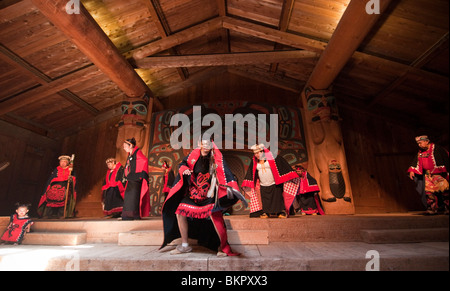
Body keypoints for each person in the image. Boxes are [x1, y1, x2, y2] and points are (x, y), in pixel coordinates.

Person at [160, 139, 242, 256]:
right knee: (180, 212)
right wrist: (185, 169)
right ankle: (185, 246)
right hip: (194, 193)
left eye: (208, 144)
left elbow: (225, 173)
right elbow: (182, 164)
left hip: (210, 194)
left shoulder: (215, 157)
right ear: (199, 144)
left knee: (216, 217)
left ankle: (223, 247)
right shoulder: (193, 155)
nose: (206, 146)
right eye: (204, 144)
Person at [242, 144, 300, 218]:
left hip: (274, 183)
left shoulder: (273, 158)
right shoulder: (254, 162)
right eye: (255, 153)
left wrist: (290, 175)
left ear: (262, 152)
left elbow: (282, 164)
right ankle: (266, 212)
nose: (256, 155)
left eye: (257, 153)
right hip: (263, 184)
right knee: (265, 199)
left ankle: (280, 212)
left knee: (277, 198)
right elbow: (251, 172)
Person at [407, 135, 449, 215]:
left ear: (427, 141)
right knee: (429, 192)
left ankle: (447, 207)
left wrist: (445, 172)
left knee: (444, 190)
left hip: (438, 174)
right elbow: (416, 162)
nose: (419, 145)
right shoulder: (420, 152)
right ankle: (432, 208)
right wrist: (412, 170)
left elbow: (446, 159)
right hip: (428, 175)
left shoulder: (437, 149)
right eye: (418, 143)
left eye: (420, 143)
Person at [122, 138, 150, 220]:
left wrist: (141, 174)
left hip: (136, 178)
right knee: (129, 197)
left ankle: (133, 215)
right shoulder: (130, 154)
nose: (124, 148)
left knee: (134, 197)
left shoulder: (137, 153)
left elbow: (144, 160)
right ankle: (128, 215)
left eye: (125, 146)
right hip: (131, 178)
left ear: (131, 146)